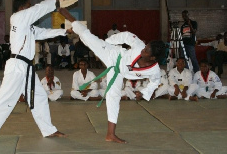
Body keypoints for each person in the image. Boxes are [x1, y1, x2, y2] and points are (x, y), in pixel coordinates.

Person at [59, 8, 166, 143]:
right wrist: (108, 43)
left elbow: (155, 82)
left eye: (146, 51)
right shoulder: (139, 46)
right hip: (112, 54)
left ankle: (110, 134)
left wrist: (144, 93)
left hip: (117, 72)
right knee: (87, 36)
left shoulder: (154, 70)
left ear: (153, 58)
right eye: (145, 47)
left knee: (113, 97)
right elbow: (126, 35)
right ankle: (63, 11)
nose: (143, 49)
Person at [0, 0, 69, 146]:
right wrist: (56, 1)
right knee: (5, 100)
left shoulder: (27, 25)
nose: (31, 7)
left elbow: (43, 33)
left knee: (39, 96)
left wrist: (63, 31)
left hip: (26, 67)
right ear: (23, 7)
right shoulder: (19, 17)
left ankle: (48, 129)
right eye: (29, 5)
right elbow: (39, 9)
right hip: (17, 65)